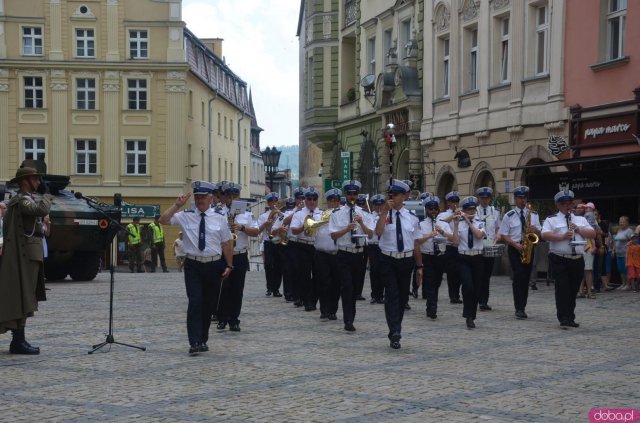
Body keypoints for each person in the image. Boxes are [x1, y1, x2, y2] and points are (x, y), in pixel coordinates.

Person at [159, 181, 233, 355]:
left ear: (210, 198)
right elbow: (163, 220)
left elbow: (226, 243)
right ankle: (194, 341)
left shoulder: (219, 217)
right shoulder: (186, 215)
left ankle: (203, 339)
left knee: (208, 304)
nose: (199, 200)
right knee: (195, 302)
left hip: (213, 264)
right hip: (193, 264)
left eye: (203, 197)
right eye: (197, 197)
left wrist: (229, 264)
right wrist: (177, 205)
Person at [0, 167, 53, 354]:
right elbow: (41, 209)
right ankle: (18, 341)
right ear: (26, 181)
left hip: (32, 255)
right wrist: (47, 194)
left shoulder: (27, 200)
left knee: (26, 297)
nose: (38, 182)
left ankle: (19, 340)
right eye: (36, 179)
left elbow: (39, 225)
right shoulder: (21, 200)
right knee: (21, 297)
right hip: (25, 256)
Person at [376, 179, 421, 349]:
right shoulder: (384, 214)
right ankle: (394, 331)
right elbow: (378, 232)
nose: (393, 197)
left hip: (406, 259)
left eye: (396, 194)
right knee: (392, 294)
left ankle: (396, 326)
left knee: (402, 296)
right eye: (391, 195)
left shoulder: (412, 218)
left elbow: (416, 243)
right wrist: (384, 212)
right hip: (388, 259)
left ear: (404, 196)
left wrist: (419, 267)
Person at [541, 189, 596, 329]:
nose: (568, 206)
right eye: (564, 204)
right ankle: (563, 317)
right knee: (562, 288)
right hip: (559, 257)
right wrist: (560, 237)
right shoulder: (551, 219)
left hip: (577, 258)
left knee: (573, 289)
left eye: (569, 203)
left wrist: (579, 230)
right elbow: (544, 235)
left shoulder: (580, 219)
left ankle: (570, 316)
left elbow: (593, 233)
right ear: (558, 205)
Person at [329, 180, 374, 332]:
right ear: (345, 195)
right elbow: (333, 235)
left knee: (354, 289)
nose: (352, 196)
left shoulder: (365, 213)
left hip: (359, 254)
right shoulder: (337, 213)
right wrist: (346, 229)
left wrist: (361, 223)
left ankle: (350, 315)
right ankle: (348, 320)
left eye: (355, 194)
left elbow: (371, 234)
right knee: (347, 286)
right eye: (349, 194)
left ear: (358, 195)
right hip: (344, 253)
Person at [215, 182, 260, 332]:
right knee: (223, 288)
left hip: (239, 255)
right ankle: (222, 318)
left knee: (237, 289)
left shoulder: (246, 214)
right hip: (223, 255)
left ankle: (234, 320)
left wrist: (241, 228)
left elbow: (256, 231)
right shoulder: (218, 212)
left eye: (235, 196)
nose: (232, 199)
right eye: (229, 196)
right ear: (225, 197)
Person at [498, 186, 541, 320]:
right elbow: (503, 235)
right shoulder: (508, 215)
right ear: (515, 199)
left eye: (524, 198)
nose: (523, 200)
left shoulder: (533, 214)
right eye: (520, 198)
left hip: (529, 247)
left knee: (526, 277)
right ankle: (519, 308)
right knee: (519, 276)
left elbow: (540, 233)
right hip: (514, 248)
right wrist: (515, 245)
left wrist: (535, 230)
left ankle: (523, 305)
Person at [452, 196, 486, 329]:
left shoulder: (480, 222)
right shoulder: (459, 223)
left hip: (477, 258)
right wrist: (455, 225)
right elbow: (455, 241)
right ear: (464, 210)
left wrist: (468, 220)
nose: (472, 212)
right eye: (469, 210)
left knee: (477, 288)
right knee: (468, 286)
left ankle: (472, 315)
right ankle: (468, 316)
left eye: (473, 210)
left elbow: (478, 235)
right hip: (464, 258)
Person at [415, 195, 447, 320]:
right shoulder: (421, 224)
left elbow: (453, 239)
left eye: (435, 208)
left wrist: (443, 233)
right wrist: (429, 236)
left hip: (440, 256)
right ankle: (431, 307)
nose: (433, 211)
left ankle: (432, 304)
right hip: (427, 256)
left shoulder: (443, 224)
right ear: (426, 210)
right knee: (429, 281)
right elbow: (417, 241)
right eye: (430, 209)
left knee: (437, 282)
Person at [290, 187, 322, 311]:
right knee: (304, 275)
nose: (312, 201)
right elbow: (294, 230)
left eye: (314, 199)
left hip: (317, 246)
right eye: (309, 199)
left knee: (318, 275)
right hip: (303, 245)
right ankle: (307, 301)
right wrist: (305, 225)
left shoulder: (322, 214)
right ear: (305, 200)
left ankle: (313, 300)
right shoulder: (299, 214)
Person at [314, 188, 342, 320]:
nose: (334, 203)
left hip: (337, 254)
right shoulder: (319, 215)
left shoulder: (343, 215)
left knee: (336, 283)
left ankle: (333, 310)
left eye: (336, 200)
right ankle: (324, 309)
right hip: (322, 253)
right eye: (331, 200)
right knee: (323, 282)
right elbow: (312, 231)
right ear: (327, 202)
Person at [476, 187, 501, 311]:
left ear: (490, 198)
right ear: (479, 199)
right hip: (478, 246)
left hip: (490, 246)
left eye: (487, 198)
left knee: (486, 275)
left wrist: (498, 234)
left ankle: (484, 301)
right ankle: (478, 299)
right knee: (478, 274)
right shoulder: (474, 211)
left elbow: (497, 228)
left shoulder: (495, 211)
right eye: (482, 198)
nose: (484, 200)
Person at [438, 191, 462, 304]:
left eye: (456, 201)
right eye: (452, 201)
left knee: (460, 272)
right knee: (452, 273)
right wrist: (454, 215)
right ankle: (453, 295)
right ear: (448, 203)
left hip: (462, 246)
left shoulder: (463, 213)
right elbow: (442, 223)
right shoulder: (443, 214)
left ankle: (457, 293)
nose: (455, 203)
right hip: (450, 246)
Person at [257, 193, 282, 297]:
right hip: (268, 242)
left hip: (279, 242)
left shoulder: (282, 215)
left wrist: (280, 216)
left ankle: (276, 289)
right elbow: (259, 230)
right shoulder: (263, 216)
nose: (274, 203)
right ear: (268, 203)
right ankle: (269, 288)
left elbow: (285, 226)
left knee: (278, 266)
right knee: (268, 265)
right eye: (271, 201)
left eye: (275, 201)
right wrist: (266, 223)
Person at [367, 194, 386, 304]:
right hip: (373, 245)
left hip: (383, 245)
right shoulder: (369, 216)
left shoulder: (386, 216)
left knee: (383, 270)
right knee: (374, 270)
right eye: (376, 205)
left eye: (381, 204)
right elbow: (372, 230)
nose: (379, 207)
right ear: (373, 206)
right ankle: (374, 294)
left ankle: (381, 295)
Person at [612, 216, 633, 291]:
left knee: (626, 269)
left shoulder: (629, 231)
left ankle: (628, 284)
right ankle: (623, 283)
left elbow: (632, 241)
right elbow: (616, 241)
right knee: (621, 269)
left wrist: (628, 248)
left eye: (623, 221)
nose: (621, 223)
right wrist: (613, 250)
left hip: (626, 253)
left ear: (627, 223)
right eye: (620, 221)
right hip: (618, 253)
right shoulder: (619, 230)